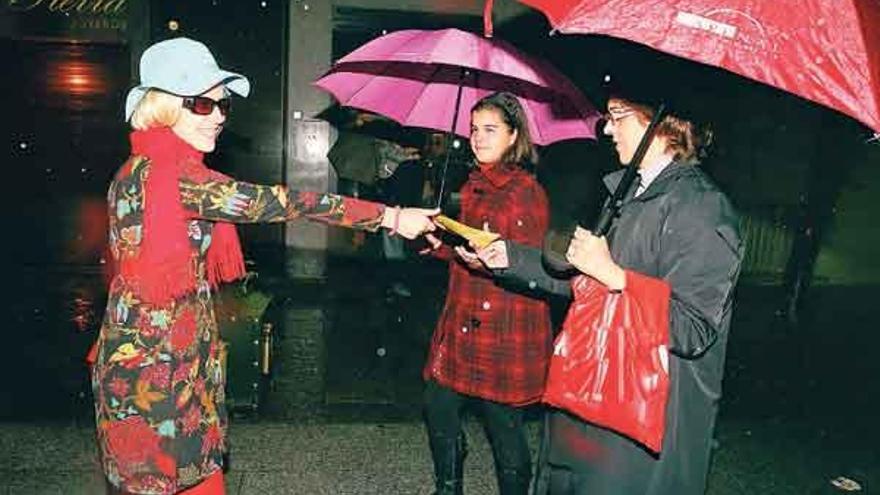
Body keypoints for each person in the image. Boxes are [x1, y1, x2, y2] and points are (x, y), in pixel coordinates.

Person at [89, 37, 437, 495]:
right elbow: (278, 201)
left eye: (222, 104)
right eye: (200, 103)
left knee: (200, 479)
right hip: (154, 372)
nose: (217, 115)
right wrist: (390, 216)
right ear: (163, 107)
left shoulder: (138, 166)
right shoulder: (175, 175)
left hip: (169, 356)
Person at [476, 85, 744, 494]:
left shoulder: (701, 207)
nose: (606, 128)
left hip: (646, 415)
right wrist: (507, 257)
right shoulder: (629, 193)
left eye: (618, 116)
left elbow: (693, 328)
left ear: (662, 127)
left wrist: (615, 275)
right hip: (599, 391)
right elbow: (587, 280)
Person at [419, 92, 553, 495]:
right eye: (474, 129)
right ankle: (448, 487)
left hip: (503, 326)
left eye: (490, 130)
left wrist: (497, 259)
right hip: (463, 316)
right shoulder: (475, 183)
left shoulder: (524, 191)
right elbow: (469, 246)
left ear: (514, 136)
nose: (478, 138)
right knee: (438, 404)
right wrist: (440, 243)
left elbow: (529, 263)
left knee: (503, 424)